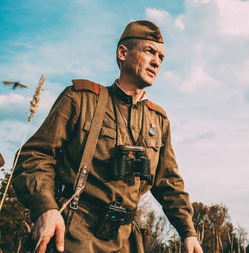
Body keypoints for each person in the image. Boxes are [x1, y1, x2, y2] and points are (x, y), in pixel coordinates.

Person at [13, 20, 203, 253]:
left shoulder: (159, 120)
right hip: (74, 234)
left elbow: (169, 183)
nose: (157, 61)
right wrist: (46, 208)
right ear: (122, 53)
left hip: (126, 241)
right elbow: (34, 156)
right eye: (149, 51)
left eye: (161, 57)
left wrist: (188, 233)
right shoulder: (81, 99)